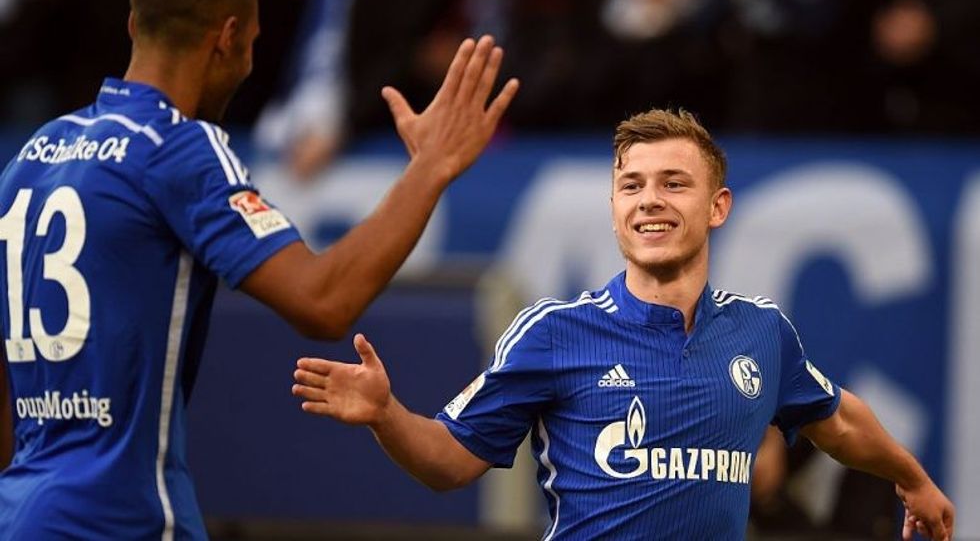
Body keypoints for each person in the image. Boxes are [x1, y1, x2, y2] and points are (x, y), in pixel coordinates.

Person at [292, 108, 955, 540]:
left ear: (718, 206)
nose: (650, 202)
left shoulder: (762, 332)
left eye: (673, 183)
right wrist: (386, 414)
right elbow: (450, 462)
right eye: (632, 186)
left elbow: (837, 419)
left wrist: (914, 479)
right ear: (613, 209)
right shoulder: (553, 332)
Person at [0, 0, 518, 537]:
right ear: (226, 39)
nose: (250, 62)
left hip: (20, 514)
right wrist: (430, 168)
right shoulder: (180, 149)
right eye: (251, 45)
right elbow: (324, 302)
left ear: (133, 24)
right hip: (123, 518)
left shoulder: (33, 155)